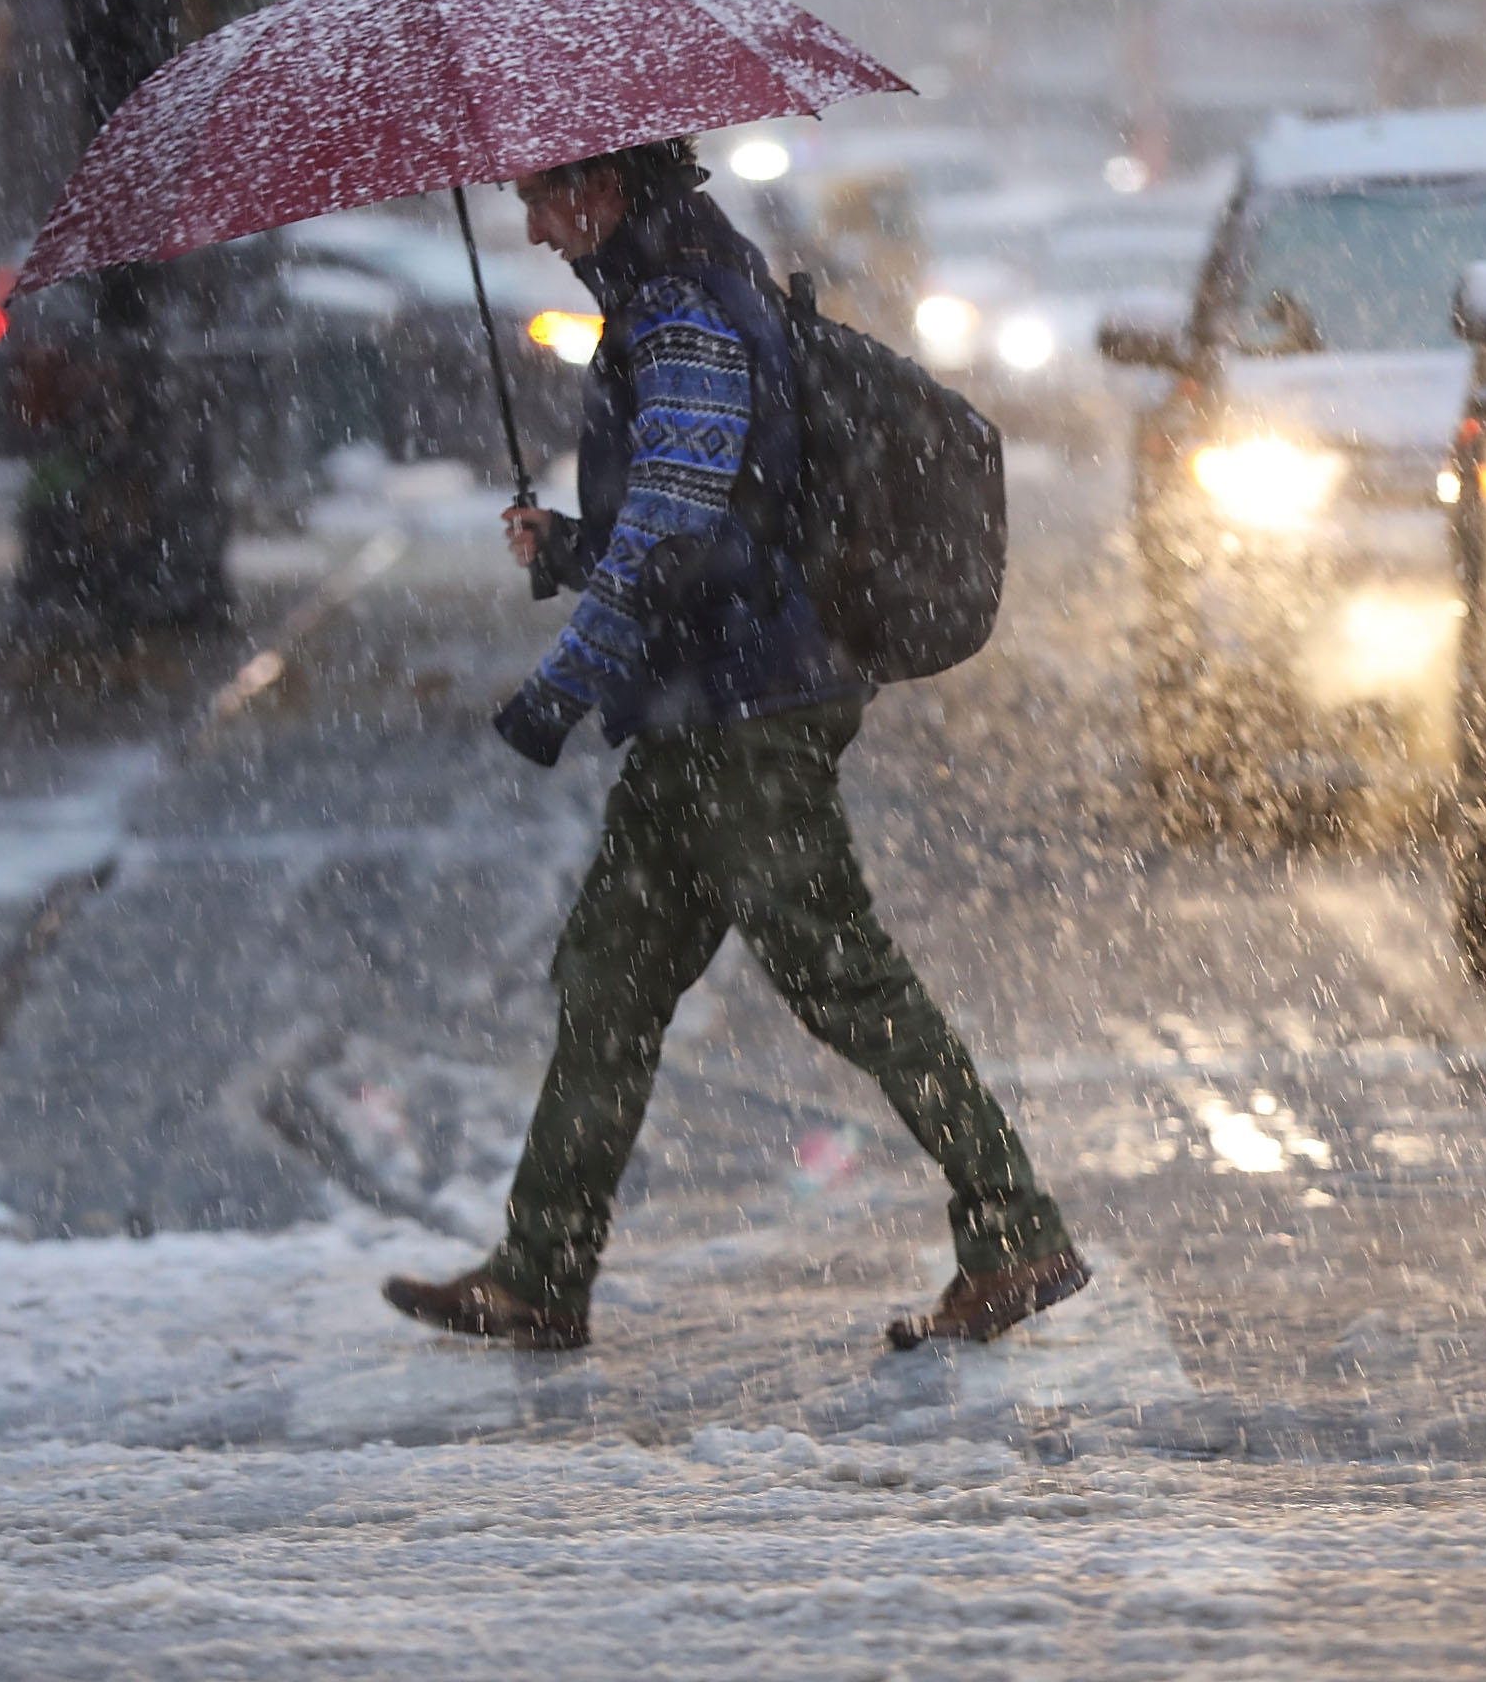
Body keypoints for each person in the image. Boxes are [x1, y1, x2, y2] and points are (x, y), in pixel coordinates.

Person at [383, 137, 1086, 1350]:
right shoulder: (673, 297)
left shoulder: (686, 316)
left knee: (843, 976)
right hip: (698, 709)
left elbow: (676, 532)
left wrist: (560, 685)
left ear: (603, 186)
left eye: (545, 198)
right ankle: (541, 1268)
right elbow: (693, 521)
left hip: (749, 710)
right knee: (610, 976)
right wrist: (566, 547)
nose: (537, 229)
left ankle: (1014, 1228)